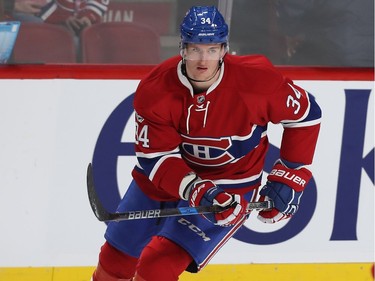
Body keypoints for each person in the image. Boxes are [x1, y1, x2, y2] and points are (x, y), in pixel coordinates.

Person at [91, 6, 322, 281]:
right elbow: (155, 156)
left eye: (212, 50)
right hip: (165, 179)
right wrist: (196, 188)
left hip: (230, 187)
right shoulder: (155, 89)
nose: (203, 60)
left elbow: (306, 114)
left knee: (157, 269)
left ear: (224, 50)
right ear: (183, 48)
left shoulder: (258, 81)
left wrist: (291, 173)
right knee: (115, 259)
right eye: (196, 49)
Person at [39, 0, 109, 35]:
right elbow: (41, 5)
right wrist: (62, 18)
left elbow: (98, 3)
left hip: (86, 29)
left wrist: (88, 17)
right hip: (52, 27)